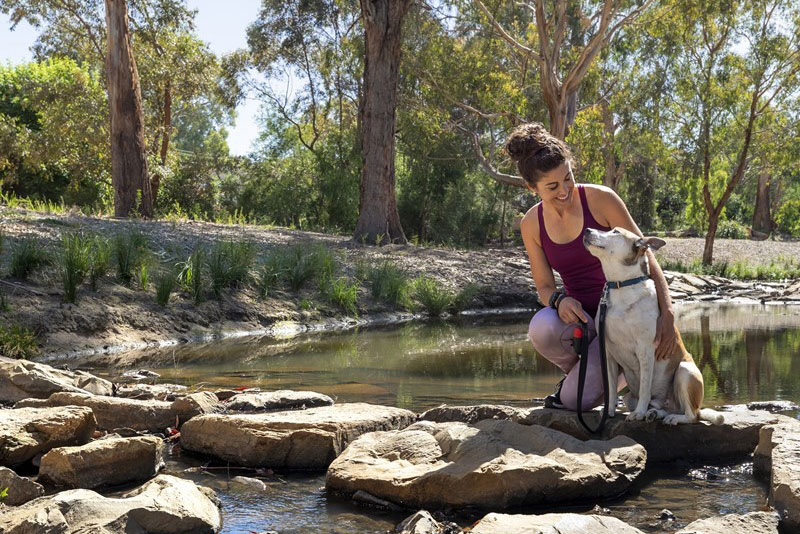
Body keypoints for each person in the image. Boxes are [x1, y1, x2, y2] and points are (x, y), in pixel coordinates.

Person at [508, 122, 678, 411]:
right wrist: (559, 301)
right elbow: (544, 287)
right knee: (542, 328)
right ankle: (592, 375)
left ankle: (616, 371)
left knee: (573, 401)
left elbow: (646, 255)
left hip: (623, 318)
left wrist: (669, 314)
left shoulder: (601, 199)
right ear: (531, 187)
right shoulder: (531, 224)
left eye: (568, 178)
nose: (564, 190)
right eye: (552, 186)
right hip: (583, 322)